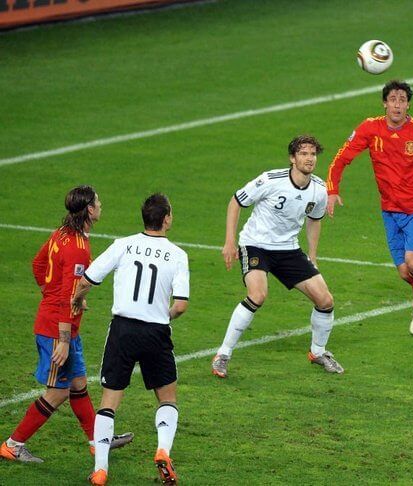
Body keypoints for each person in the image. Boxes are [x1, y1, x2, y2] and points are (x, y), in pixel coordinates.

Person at [1, 186, 132, 464]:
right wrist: (62, 338)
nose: (101, 204)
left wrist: (63, 297)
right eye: (97, 201)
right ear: (89, 210)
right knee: (59, 391)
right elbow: (63, 294)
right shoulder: (77, 249)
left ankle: (98, 442)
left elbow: (38, 265)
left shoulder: (62, 234)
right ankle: (13, 444)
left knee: (78, 384)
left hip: (58, 321)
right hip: (56, 330)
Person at [326, 80, 413, 336]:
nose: (397, 105)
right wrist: (332, 190)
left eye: (402, 100)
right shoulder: (370, 128)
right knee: (406, 272)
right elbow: (341, 158)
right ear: (385, 103)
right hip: (389, 210)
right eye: (393, 99)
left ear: (408, 104)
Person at [71, 193, 190, 485]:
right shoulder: (177, 254)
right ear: (165, 219)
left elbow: (86, 279)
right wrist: (165, 316)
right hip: (156, 332)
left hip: (123, 330)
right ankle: (163, 449)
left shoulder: (122, 245)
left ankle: (101, 470)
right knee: (167, 398)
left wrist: (78, 299)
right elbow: (181, 304)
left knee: (109, 402)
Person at [211, 135, 343, 378]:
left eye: (313, 154)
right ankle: (223, 354)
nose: (309, 158)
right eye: (303, 154)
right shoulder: (271, 179)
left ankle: (318, 352)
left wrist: (312, 256)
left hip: (288, 249)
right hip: (256, 245)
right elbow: (236, 201)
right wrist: (230, 241)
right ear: (292, 158)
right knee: (257, 294)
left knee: (325, 300)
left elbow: (314, 220)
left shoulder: (319, 189)